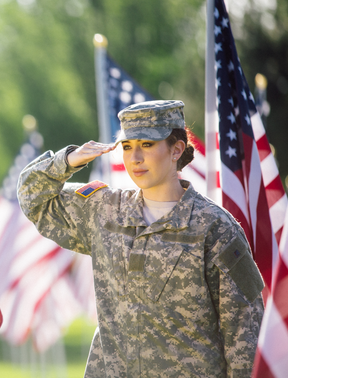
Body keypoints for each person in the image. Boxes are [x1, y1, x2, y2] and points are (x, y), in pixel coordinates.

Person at [17, 100, 264, 378]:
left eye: (147, 144)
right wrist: (68, 160)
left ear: (177, 149)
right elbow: (32, 197)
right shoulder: (104, 210)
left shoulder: (215, 227)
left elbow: (244, 330)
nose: (135, 158)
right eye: (126, 146)